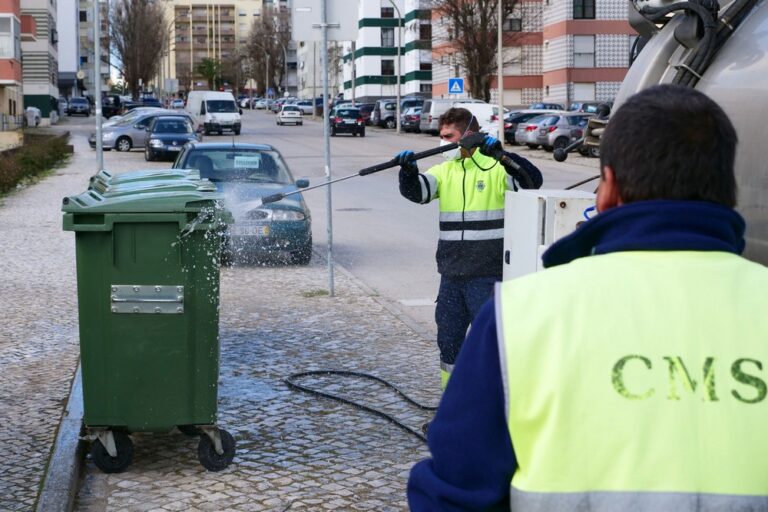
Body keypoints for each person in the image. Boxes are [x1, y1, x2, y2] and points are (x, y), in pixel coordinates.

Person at [407, 84, 768, 510]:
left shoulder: (518, 316)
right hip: (454, 267)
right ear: (730, 191)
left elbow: (452, 494)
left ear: (609, 188)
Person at [394, 107, 542, 391]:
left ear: (469, 136)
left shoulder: (496, 169)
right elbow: (418, 193)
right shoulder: (444, 170)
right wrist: (408, 173)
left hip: (487, 277)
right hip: (451, 277)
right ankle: (452, 410)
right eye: (441, 136)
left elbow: (532, 180)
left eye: (449, 136)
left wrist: (502, 156)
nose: (443, 142)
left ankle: (491, 414)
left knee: (491, 348)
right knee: (449, 347)